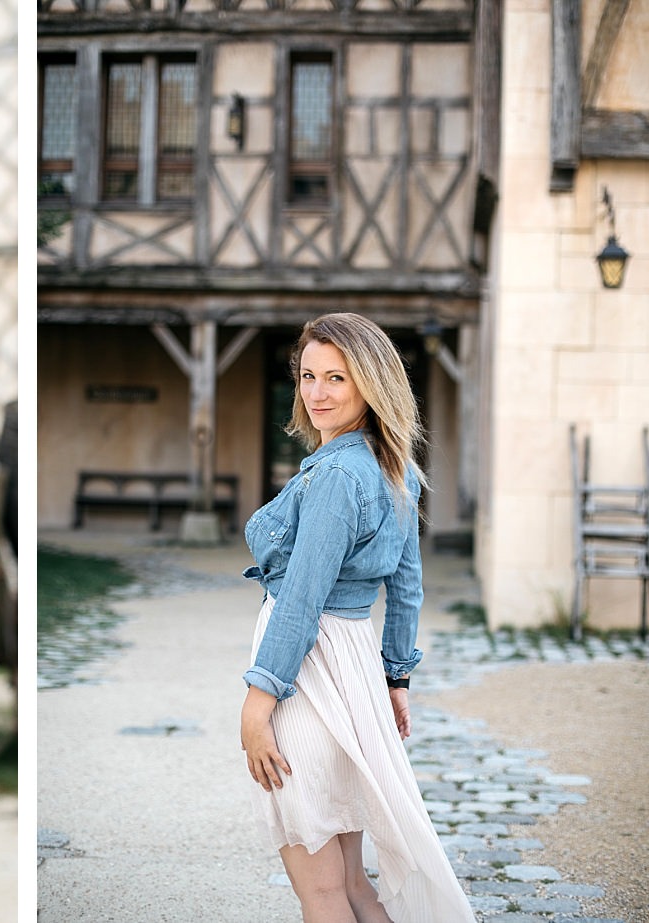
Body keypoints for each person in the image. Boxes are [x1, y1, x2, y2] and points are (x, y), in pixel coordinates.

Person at [239, 313, 475, 923]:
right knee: (351, 885)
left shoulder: (340, 476)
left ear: (370, 383)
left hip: (311, 679)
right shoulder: (392, 468)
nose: (316, 393)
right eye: (308, 376)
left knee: (320, 893)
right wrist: (394, 679)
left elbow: (302, 599)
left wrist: (258, 702)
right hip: (353, 673)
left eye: (336, 379)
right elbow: (408, 589)